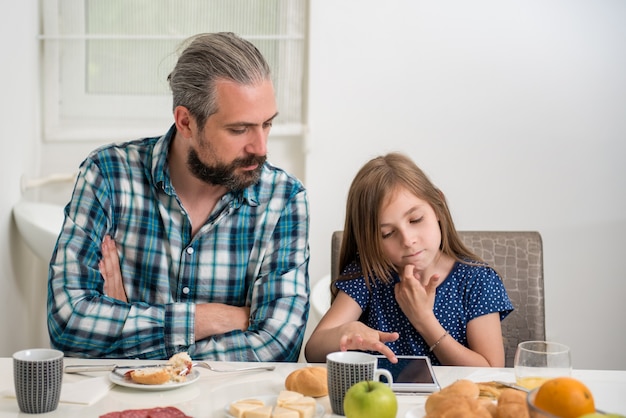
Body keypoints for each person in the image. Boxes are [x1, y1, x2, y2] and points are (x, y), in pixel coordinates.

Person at [47, 32, 310, 361]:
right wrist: (210, 319)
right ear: (186, 121)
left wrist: (127, 325)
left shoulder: (284, 199)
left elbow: (276, 344)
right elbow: (69, 324)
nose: (261, 147)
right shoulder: (108, 176)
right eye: (239, 129)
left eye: (267, 124)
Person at [305, 153, 513, 367]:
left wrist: (424, 320)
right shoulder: (369, 276)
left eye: (416, 220)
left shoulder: (477, 281)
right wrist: (345, 332)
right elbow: (313, 350)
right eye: (387, 233)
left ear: (438, 207)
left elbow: (491, 371)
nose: (408, 240)